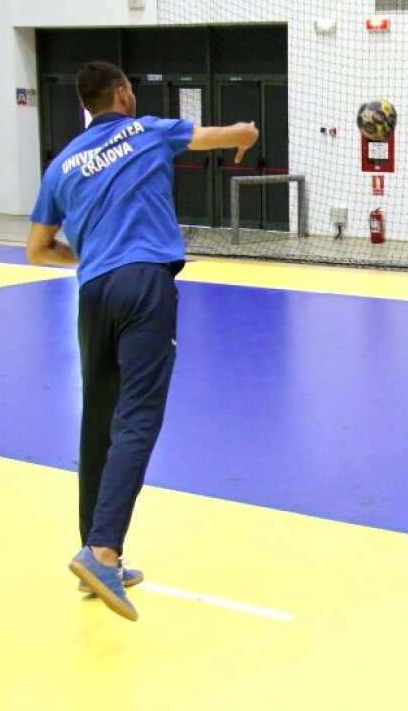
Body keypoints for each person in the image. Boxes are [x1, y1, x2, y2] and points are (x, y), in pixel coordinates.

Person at [26, 61, 259, 621]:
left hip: (93, 291)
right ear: (123, 92)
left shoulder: (62, 164)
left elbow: (37, 249)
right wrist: (247, 134)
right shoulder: (149, 130)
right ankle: (103, 551)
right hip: (144, 284)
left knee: (99, 423)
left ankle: (94, 547)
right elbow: (223, 135)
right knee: (137, 418)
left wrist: (98, 257)